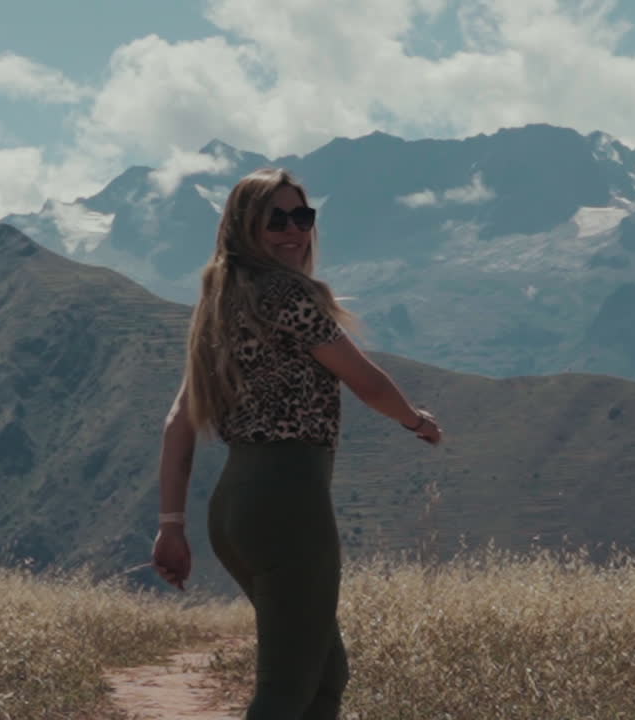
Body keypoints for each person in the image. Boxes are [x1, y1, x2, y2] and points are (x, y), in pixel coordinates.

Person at [151, 167, 443, 719]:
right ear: (245, 226)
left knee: (324, 676)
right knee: (286, 691)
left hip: (234, 510)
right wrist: (415, 419)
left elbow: (177, 423)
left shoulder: (220, 301)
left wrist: (171, 525)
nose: (293, 231)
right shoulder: (288, 294)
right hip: (289, 504)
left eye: (302, 217)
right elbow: (366, 381)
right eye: (275, 219)